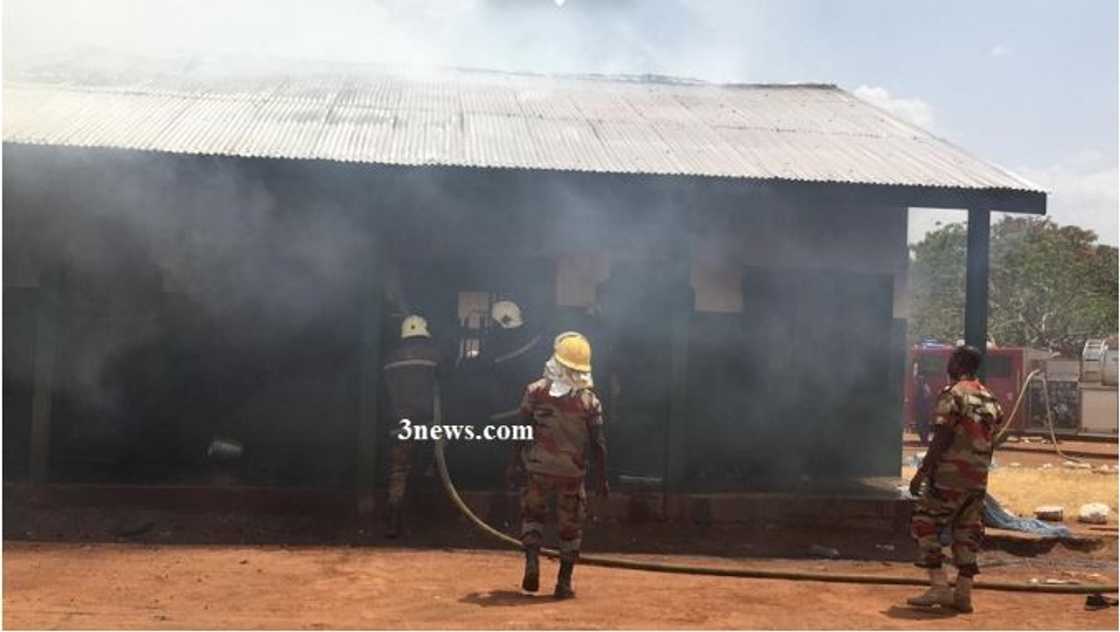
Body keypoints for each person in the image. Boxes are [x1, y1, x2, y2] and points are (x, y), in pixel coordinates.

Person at [506, 331, 609, 599]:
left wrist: (514, 463)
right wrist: (602, 477)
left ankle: (532, 563)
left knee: (532, 516)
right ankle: (563, 583)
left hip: (538, 468)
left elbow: (521, 431)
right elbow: (599, 444)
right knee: (570, 526)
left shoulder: (535, 392)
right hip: (572, 474)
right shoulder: (590, 402)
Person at [907, 345, 1004, 613]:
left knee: (924, 524)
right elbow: (991, 441)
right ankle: (963, 594)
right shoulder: (990, 399)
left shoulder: (953, 395)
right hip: (977, 480)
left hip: (949, 477)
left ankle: (938, 586)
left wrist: (921, 473)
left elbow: (942, 437)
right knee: (967, 532)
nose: (948, 364)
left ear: (959, 363)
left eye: (952, 359)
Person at [382, 314, 441, 538]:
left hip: (398, 424)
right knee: (429, 467)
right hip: (427, 424)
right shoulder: (433, 356)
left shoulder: (389, 360)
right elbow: (448, 378)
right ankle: (425, 519)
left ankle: (394, 519)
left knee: (398, 472)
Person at [913, 372, 933, 446]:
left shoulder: (925, 388)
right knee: (921, 425)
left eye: (919, 380)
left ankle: (924, 441)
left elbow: (926, 398)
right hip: (922, 410)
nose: (918, 382)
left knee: (922, 425)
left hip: (923, 411)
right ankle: (924, 440)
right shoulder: (922, 387)